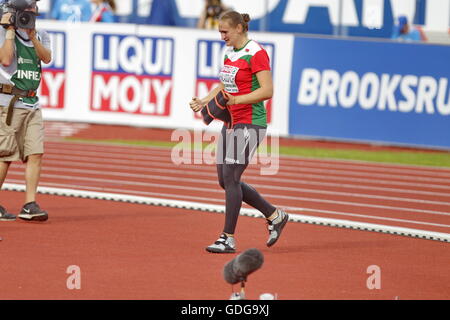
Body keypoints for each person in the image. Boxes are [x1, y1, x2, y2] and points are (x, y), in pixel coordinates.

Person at [189, 11, 289, 253]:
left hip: (251, 122)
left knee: (232, 178)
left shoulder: (256, 53)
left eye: (225, 32)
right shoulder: (230, 52)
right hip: (231, 123)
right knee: (225, 180)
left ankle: (227, 238)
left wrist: (237, 100)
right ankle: (275, 215)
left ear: (238, 29)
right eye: (220, 32)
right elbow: (225, 85)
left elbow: (267, 91)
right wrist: (204, 101)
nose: (222, 36)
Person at [0, 0, 51, 222]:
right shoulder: (2, 32)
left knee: (36, 152)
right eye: (28, 7)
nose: (32, 10)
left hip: (32, 102)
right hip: (8, 102)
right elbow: (6, 59)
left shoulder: (41, 34)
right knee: (5, 156)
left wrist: (31, 36)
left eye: (33, 7)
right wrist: (10, 31)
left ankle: (30, 204)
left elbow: (46, 57)